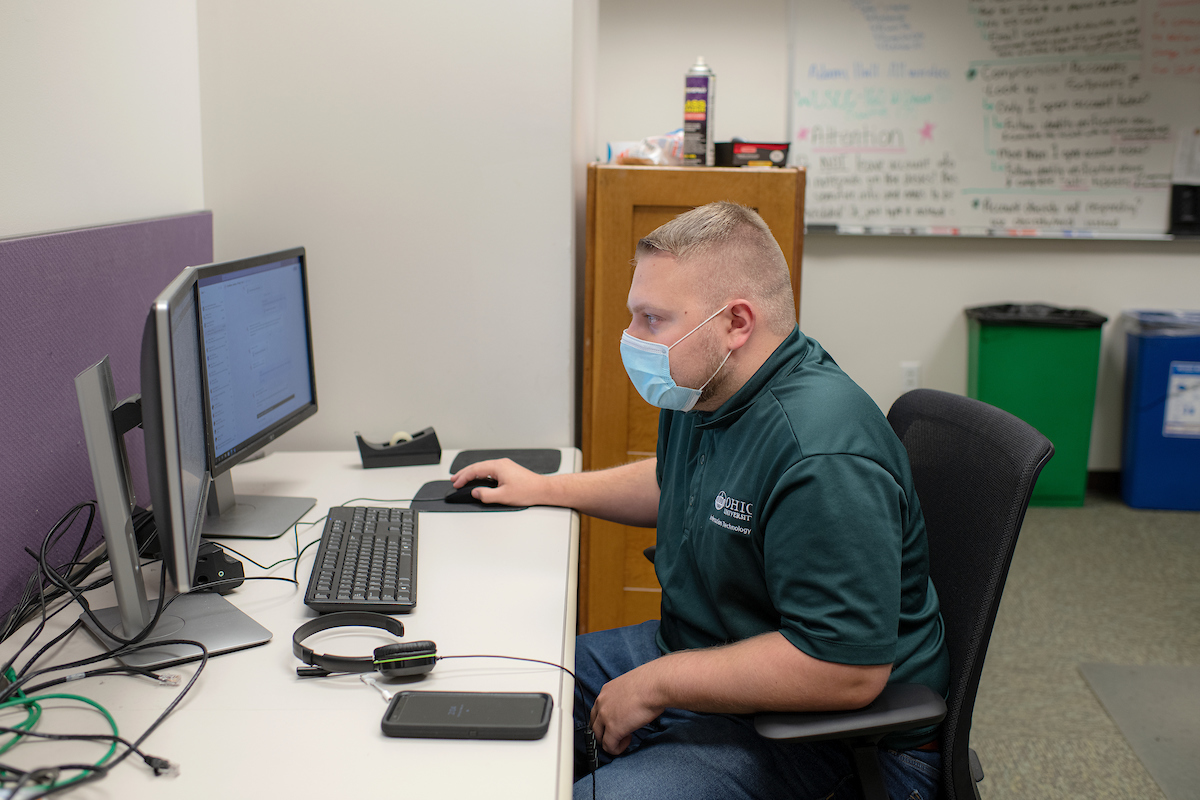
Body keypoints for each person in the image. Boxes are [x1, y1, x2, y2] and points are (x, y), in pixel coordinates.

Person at [451, 202, 949, 800]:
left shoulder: (822, 454)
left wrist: (660, 684)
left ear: (735, 322)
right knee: (490, 690)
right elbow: (676, 483)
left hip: (826, 735)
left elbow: (844, 670)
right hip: (706, 650)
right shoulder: (707, 389)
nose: (632, 339)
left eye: (652, 319)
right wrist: (545, 488)